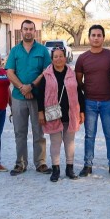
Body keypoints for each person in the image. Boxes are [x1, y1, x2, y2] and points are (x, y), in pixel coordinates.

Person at [5, 20, 52, 176]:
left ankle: (41, 163)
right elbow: (9, 72)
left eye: (31, 29)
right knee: (20, 132)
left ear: (34, 31)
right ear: (21, 31)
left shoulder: (42, 50)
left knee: (39, 131)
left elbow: (46, 71)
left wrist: (31, 86)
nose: (28, 31)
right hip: (18, 97)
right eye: (25, 29)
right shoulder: (15, 51)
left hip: (37, 98)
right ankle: (20, 163)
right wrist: (22, 88)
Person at [74, 24, 110, 178]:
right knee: (89, 135)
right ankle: (88, 165)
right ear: (89, 37)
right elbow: (78, 80)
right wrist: (87, 90)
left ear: (103, 38)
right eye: (93, 35)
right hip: (89, 102)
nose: (96, 38)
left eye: (99, 35)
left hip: (108, 102)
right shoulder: (82, 58)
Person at [37, 46, 85, 182]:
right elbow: (40, 95)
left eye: (61, 56)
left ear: (65, 57)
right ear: (52, 59)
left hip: (70, 113)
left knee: (70, 142)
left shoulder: (71, 74)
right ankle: (56, 169)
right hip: (53, 114)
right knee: (55, 142)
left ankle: (70, 168)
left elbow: (79, 92)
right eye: (55, 56)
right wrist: (40, 112)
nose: (58, 59)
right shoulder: (46, 75)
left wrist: (82, 111)